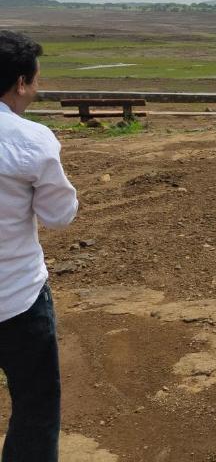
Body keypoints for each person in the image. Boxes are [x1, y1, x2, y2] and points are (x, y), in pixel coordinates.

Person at [0, 31, 78, 461]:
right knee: (35, 408)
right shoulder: (30, 140)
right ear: (21, 83)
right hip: (17, 298)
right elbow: (58, 216)